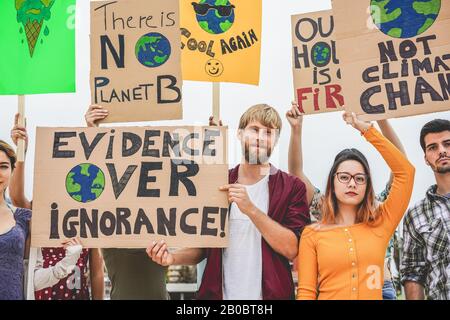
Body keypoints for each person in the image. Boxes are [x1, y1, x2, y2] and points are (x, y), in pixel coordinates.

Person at [148, 104, 311, 300]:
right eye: (254, 129)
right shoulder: (217, 182)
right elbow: (204, 248)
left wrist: (251, 209)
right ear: (240, 134)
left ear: (275, 141)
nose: (260, 137)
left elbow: (291, 248)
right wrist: (172, 258)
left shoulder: (291, 187)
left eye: (268, 132)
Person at [286, 102, 406, 299]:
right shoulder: (324, 208)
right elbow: (296, 174)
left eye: (359, 178)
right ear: (333, 181)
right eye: (344, 177)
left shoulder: (381, 208)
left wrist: (380, 118)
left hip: (380, 289)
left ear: (366, 182)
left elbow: (401, 165)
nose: (351, 184)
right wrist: (296, 129)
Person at [9, 114, 104, 300]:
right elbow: (16, 196)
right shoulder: (41, 209)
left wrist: (93, 129)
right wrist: (22, 151)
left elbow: (97, 272)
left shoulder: (89, 215)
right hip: (42, 294)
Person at [85, 104, 169, 300]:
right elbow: (98, 169)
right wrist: (92, 129)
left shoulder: (161, 214)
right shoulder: (109, 214)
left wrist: (213, 138)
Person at [401, 119, 450, 300]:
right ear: (426, 158)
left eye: (447, 144)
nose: (442, 151)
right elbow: (413, 273)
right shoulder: (416, 215)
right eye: (433, 147)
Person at [0, 140, 31, 300]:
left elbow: (30, 270)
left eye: (3, 166)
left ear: (12, 171)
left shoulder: (23, 217)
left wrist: (22, 150)